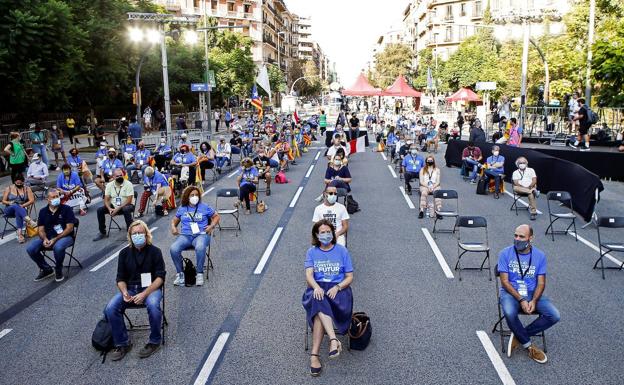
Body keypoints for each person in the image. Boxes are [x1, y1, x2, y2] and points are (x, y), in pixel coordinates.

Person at [498, 224, 560, 364]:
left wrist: (534, 300)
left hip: (532, 293)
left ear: (530, 238)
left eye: (521, 236)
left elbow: (541, 283)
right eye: (515, 235)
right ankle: (529, 346)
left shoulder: (540, 256)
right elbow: (504, 282)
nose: (517, 239)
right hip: (511, 293)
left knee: (554, 315)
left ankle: (519, 334)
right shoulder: (505, 253)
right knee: (509, 311)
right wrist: (521, 299)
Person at [104, 221, 165, 360]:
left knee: (154, 306)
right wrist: (124, 292)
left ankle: (154, 341)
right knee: (110, 308)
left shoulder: (155, 252)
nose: (137, 235)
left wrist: (144, 294)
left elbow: (160, 278)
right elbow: (120, 278)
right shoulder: (124, 253)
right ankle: (122, 343)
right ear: (130, 236)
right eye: (134, 233)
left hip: (150, 289)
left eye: (140, 233)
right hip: (131, 289)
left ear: (146, 234)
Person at [302, 219, 354, 377]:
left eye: (328, 232)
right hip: (318, 288)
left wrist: (338, 287)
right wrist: (317, 286)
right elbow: (309, 275)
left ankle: (314, 356)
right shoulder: (312, 252)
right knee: (318, 298)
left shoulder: (342, 251)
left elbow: (349, 277)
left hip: (338, 290)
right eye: (322, 232)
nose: (326, 235)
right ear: (317, 236)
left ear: (333, 233)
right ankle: (333, 339)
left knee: (319, 308)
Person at [170, 186, 220, 286]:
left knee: (200, 247)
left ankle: (199, 273)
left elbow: (216, 216)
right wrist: (173, 228)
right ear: (187, 197)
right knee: (174, 248)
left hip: (201, 235)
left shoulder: (204, 207)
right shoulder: (182, 208)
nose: (195, 197)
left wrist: (212, 226)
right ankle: (180, 274)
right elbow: (174, 221)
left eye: (196, 195)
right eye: (192, 195)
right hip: (186, 236)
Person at [26, 189, 76, 282]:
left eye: (57, 196)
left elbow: (70, 228)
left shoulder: (66, 209)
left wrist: (55, 239)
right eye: (53, 197)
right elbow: (40, 230)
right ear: (47, 199)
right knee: (31, 249)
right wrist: (44, 239)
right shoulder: (43, 212)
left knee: (58, 247)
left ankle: (58, 269)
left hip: (65, 237)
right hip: (48, 237)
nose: (56, 198)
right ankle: (46, 269)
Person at [93, 168, 136, 241]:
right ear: (113, 177)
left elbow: (129, 201)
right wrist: (109, 209)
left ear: (123, 175)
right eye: (117, 176)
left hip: (127, 205)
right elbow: (106, 200)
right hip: (114, 206)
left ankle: (130, 232)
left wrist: (117, 209)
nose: (119, 177)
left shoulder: (128, 184)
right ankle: (102, 232)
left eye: (121, 175)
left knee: (126, 209)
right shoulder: (109, 185)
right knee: (100, 210)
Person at [2, 174, 36, 243]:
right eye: (17, 183)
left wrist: (23, 205)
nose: (19, 184)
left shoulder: (27, 188)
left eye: (21, 183)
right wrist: (9, 203)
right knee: (15, 205)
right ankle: (29, 220)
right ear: (14, 182)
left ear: (23, 182)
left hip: (22, 209)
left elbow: (32, 200)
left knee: (18, 211)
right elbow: (3, 201)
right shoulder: (9, 188)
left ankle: (20, 234)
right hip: (9, 209)